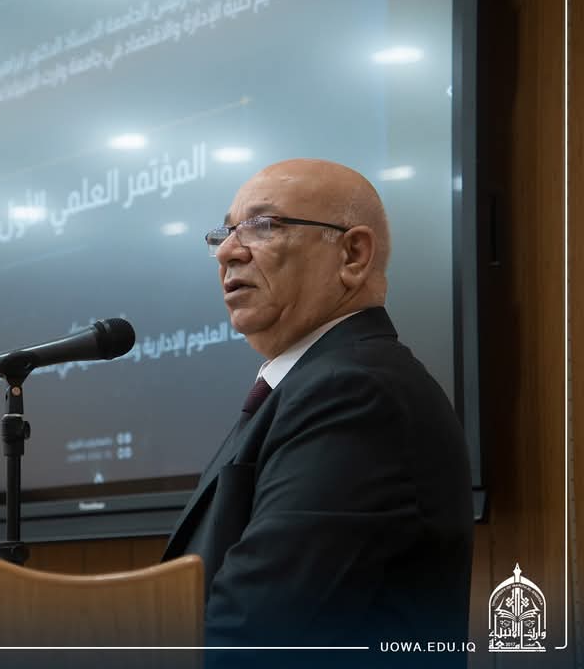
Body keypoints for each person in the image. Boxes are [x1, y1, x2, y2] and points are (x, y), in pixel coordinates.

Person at [161, 159, 473, 664]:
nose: (227, 251)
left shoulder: (356, 393)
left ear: (352, 254)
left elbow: (257, 630)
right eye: (224, 232)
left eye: (263, 226)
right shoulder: (307, 385)